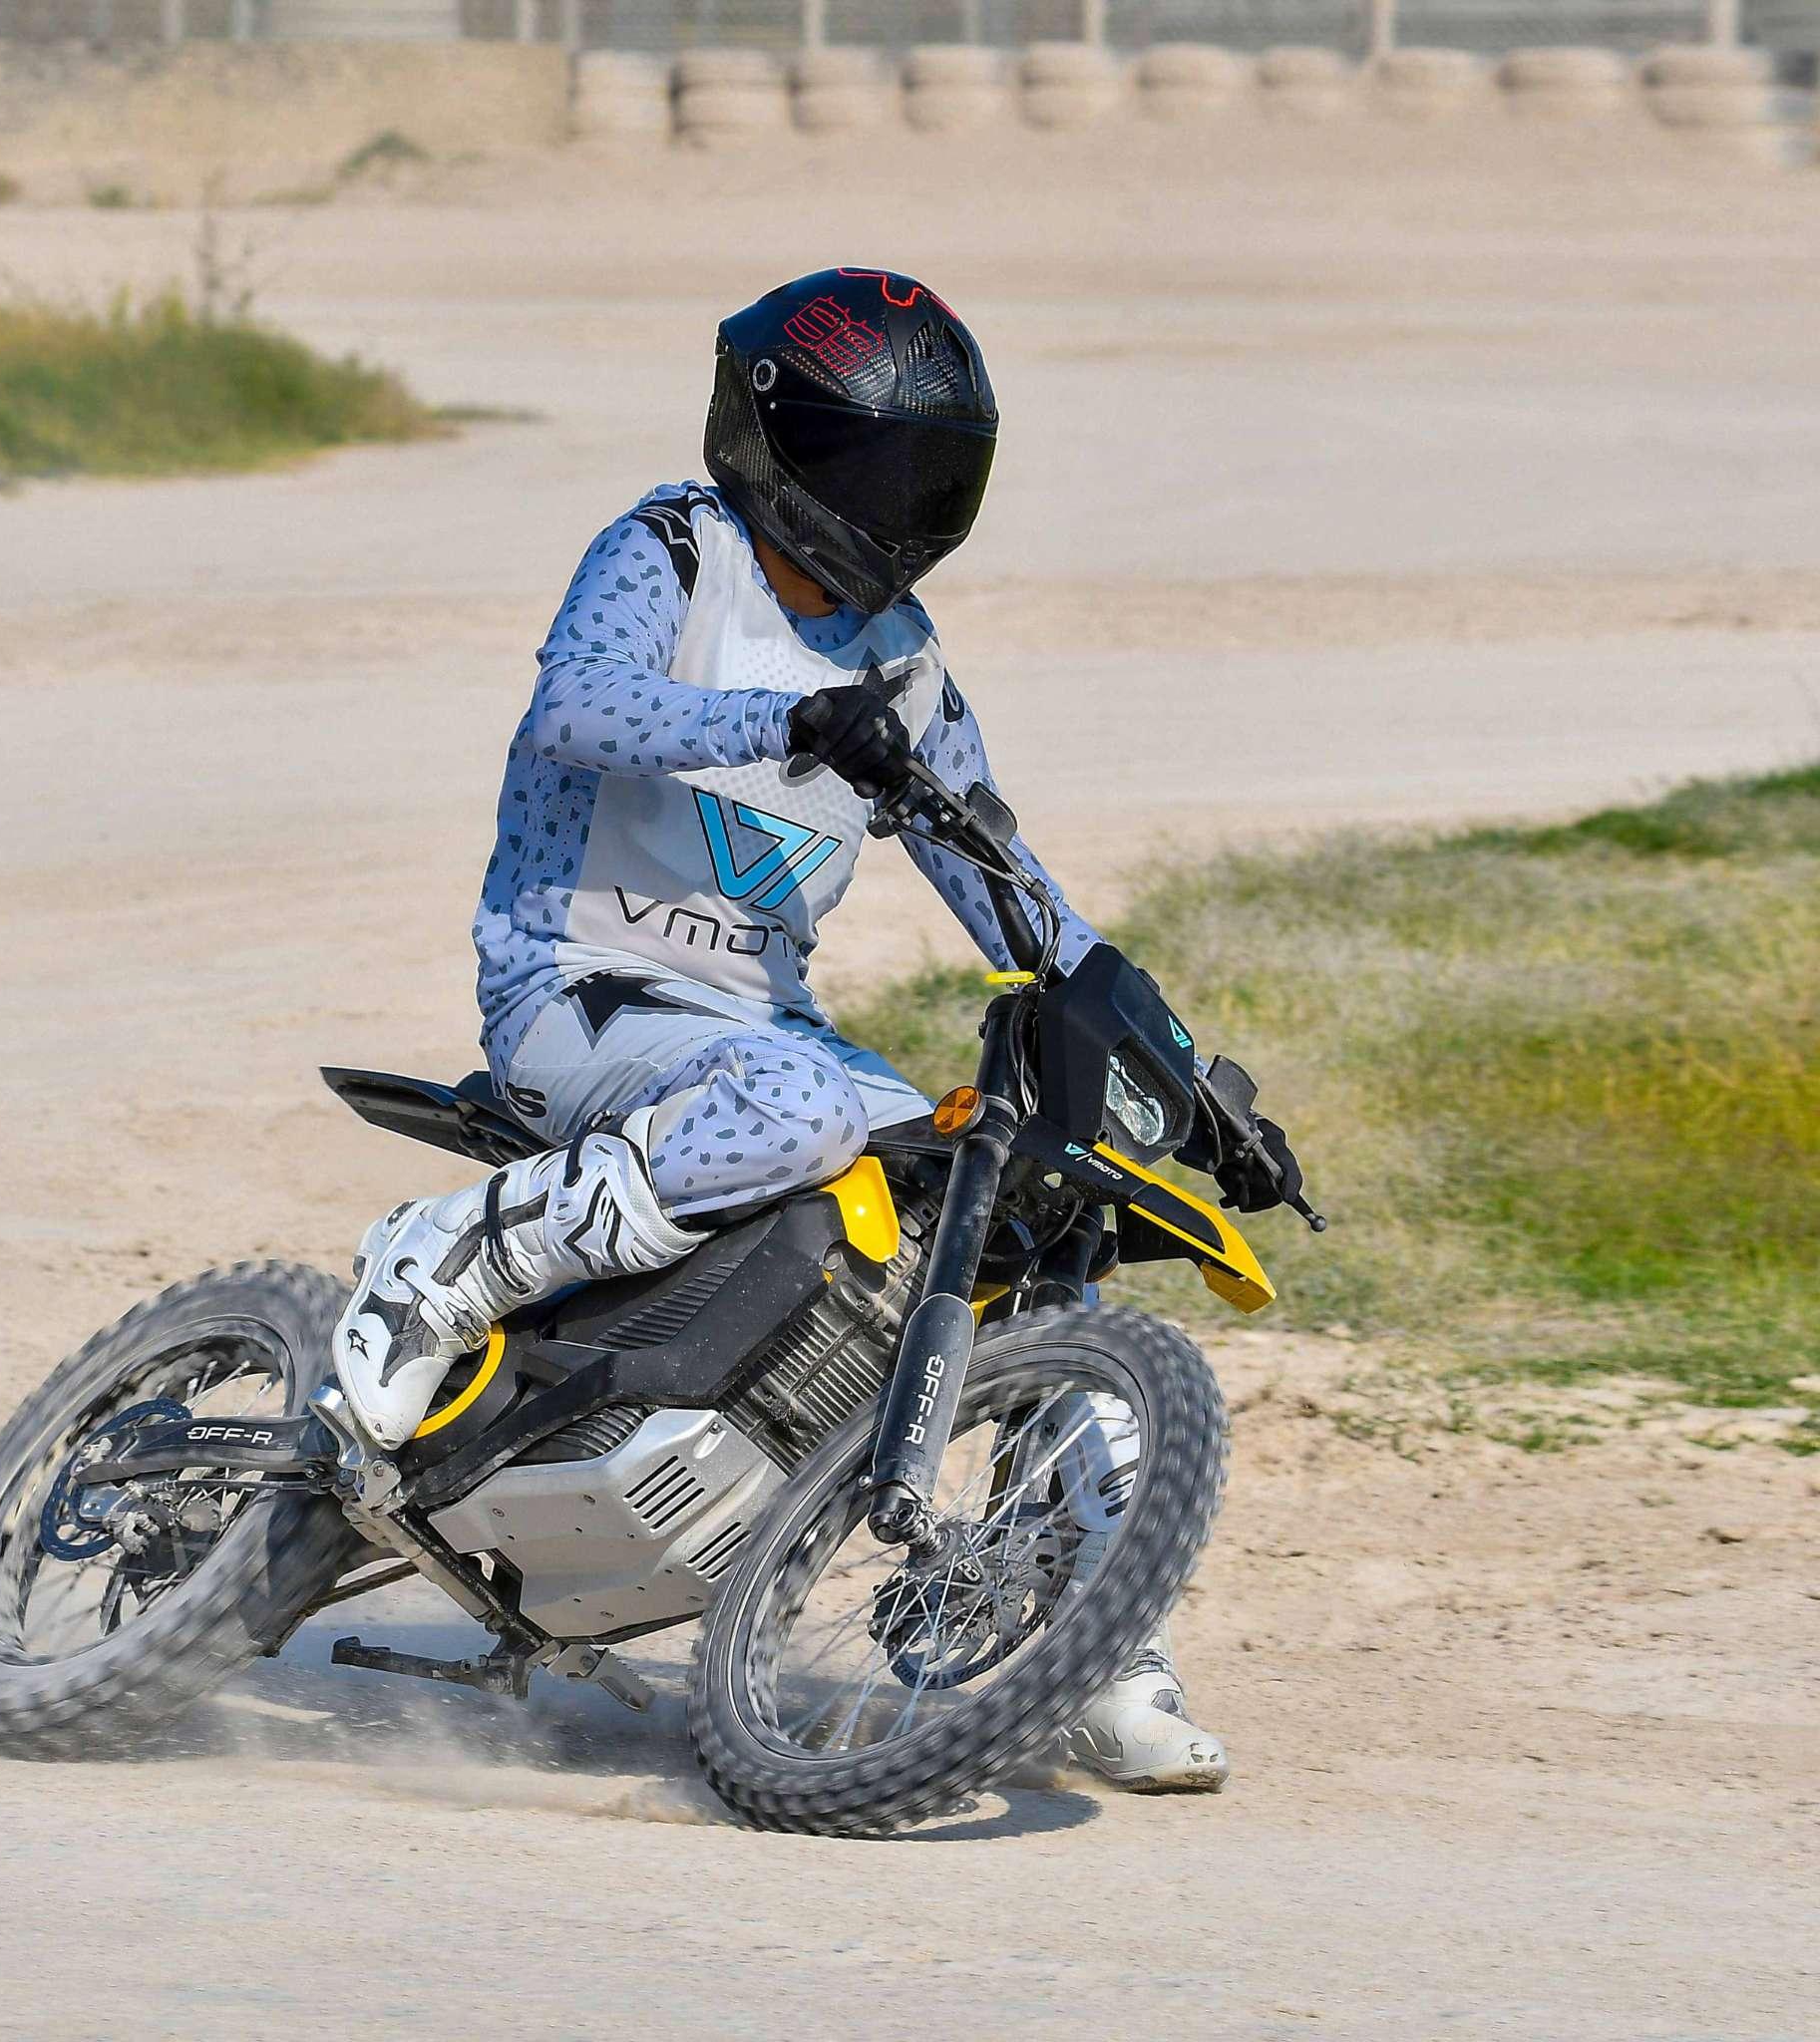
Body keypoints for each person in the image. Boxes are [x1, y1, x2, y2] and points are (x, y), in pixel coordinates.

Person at [331, 268, 1292, 1792]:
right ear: (786, 443)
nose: (905, 503)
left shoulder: (905, 663)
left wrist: (1184, 1078)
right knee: (804, 1109)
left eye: (932, 476)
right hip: (581, 992)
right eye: (880, 467)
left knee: (1016, 1219)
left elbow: (1016, 892)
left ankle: (1090, 1635)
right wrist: (782, 725)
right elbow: (577, 711)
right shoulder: (668, 553)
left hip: (755, 1035)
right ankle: (452, 1258)